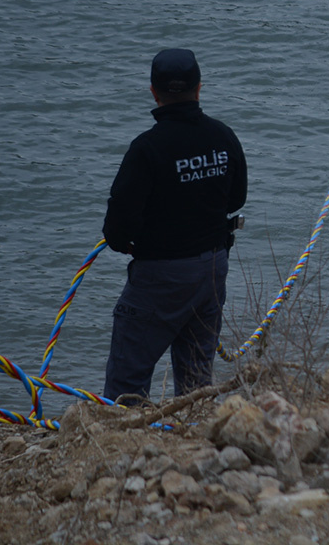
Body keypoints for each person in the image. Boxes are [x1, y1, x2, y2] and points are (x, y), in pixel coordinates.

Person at [101, 48, 247, 401]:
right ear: (199, 89)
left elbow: (117, 227)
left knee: (127, 381)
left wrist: (130, 243)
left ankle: (121, 445)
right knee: (197, 377)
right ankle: (196, 438)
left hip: (158, 277)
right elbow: (236, 200)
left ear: (154, 92)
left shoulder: (146, 149)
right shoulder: (223, 137)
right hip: (211, 269)